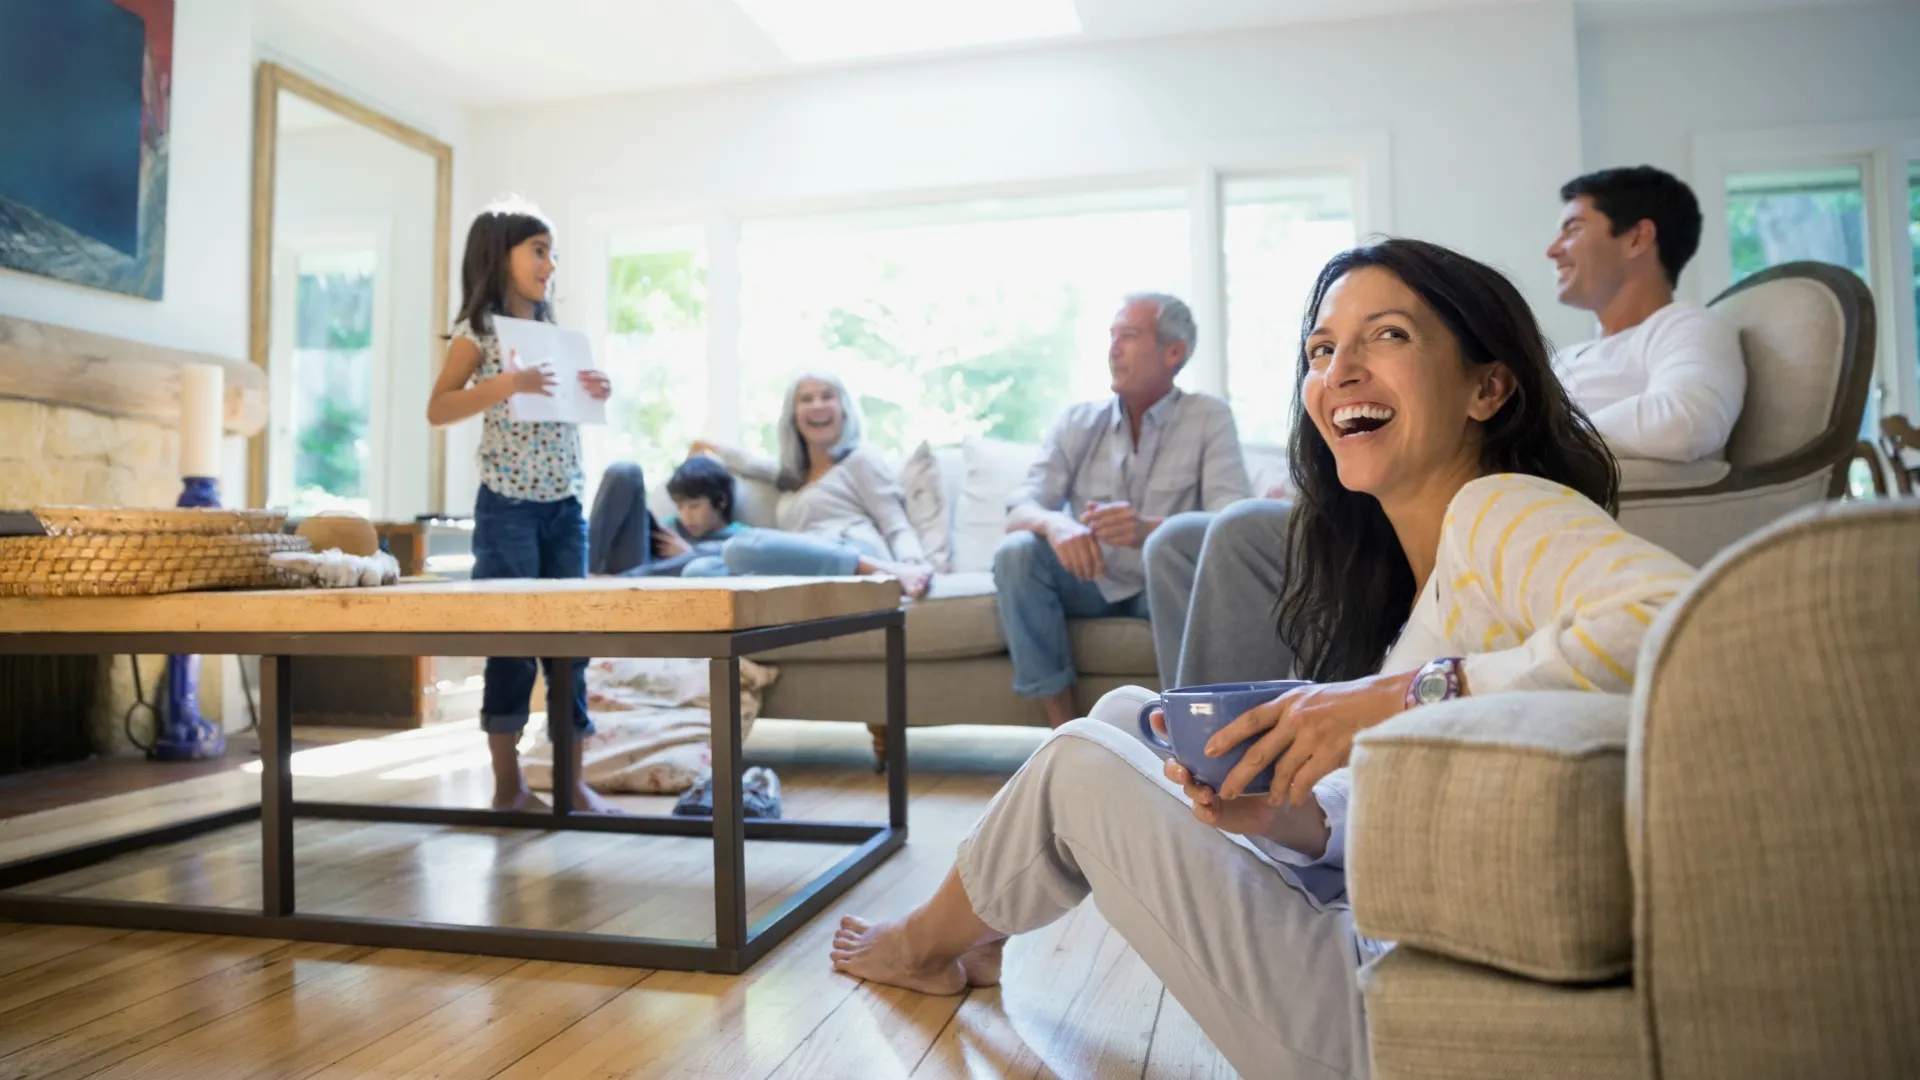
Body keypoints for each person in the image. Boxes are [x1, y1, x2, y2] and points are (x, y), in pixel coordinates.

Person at [828, 239, 1696, 1079]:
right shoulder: (1434, 583)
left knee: (1078, 765)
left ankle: (922, 944)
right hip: (1382, 935)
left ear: (1488, 386)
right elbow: (1409, 807)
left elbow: (1677, 632)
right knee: (1132, 716)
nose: (1340, 369)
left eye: (1387, 335)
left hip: (1381, 1014)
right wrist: (1287, 817)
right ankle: (977, 926)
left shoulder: (1503, 510)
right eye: (1322, 348)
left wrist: (1394, 698)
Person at [1146, 164, 1742, 689]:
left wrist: (1552, 422)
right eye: (1321, 350)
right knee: (1175, 545)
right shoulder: (1582, 355)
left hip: (1491, 497)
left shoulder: (1684, 329)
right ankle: (1210, 738)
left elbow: (1687, 422)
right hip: (1426, 515)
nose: (1553, 247)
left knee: (1240, 528)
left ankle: (1226, 742)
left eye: (1573, 228)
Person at [426, 201, 620, 815]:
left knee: (571, 646)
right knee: (510, 643)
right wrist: (506, 383)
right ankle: (508, 786)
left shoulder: (556, 338)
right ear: (498, 254)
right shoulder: (478, 337)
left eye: (551, 252)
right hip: (507, 509)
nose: (549, 264)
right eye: (538, 249)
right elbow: (440, 408)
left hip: (565, 505)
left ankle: (571, 782)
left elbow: (569, 408)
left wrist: (594, 390)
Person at [997, 293, 1249, 728]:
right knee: (1016, 553)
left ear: (1174, 352)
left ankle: (1192, 734)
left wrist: (1150, 530)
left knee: (1185, 564)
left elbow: (1233, 523)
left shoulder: (1209, 416)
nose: (1113, 348)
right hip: (1088, 576)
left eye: (1128, 336)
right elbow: (1020, 507)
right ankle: (1067, 732)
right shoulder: (1077, 420)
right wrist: (1057, 525)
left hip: (1162, 583)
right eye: (1112, 336)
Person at [685, 372, 934, 598]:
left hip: (856, 548)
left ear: (844, 410)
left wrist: (912, 567)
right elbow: (752, 464)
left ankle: (877, 570)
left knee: (739, 548)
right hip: (809, 565)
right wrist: (709, 447)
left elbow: (896, 525)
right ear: (793, 415)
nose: (817, 405)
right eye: (806, 399)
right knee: (698, 571)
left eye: (827, 396)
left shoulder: (858, 460)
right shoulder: (792, 475)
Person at [587, 456, 747, 577]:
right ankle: (580, 577)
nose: (686, 516)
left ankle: (614, 583)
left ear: (721, 502)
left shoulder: (742, 538)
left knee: (720, 553)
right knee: (625, 471)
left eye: (694, 506)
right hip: (630, 568)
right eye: (680, 507)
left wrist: (689, 555)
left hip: (648, 587)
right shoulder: (671, 525)